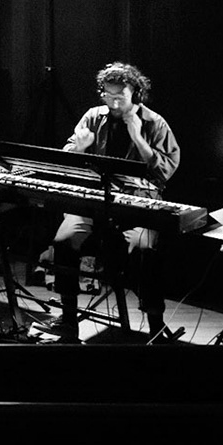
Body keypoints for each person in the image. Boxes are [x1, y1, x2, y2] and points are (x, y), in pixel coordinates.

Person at [49, 61, 181, 341]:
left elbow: (165, 172)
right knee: (64, 241)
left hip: (137, 205)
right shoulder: (93, 117)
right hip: (94, 201)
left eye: (120, 96)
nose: (114, 102)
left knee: (144, 251)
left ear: (136, 93)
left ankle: (155, 325)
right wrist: (80, 148)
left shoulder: (154, 123)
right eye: (108, 95)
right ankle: (69, 320)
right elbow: (68, 158)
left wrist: (139, 139)